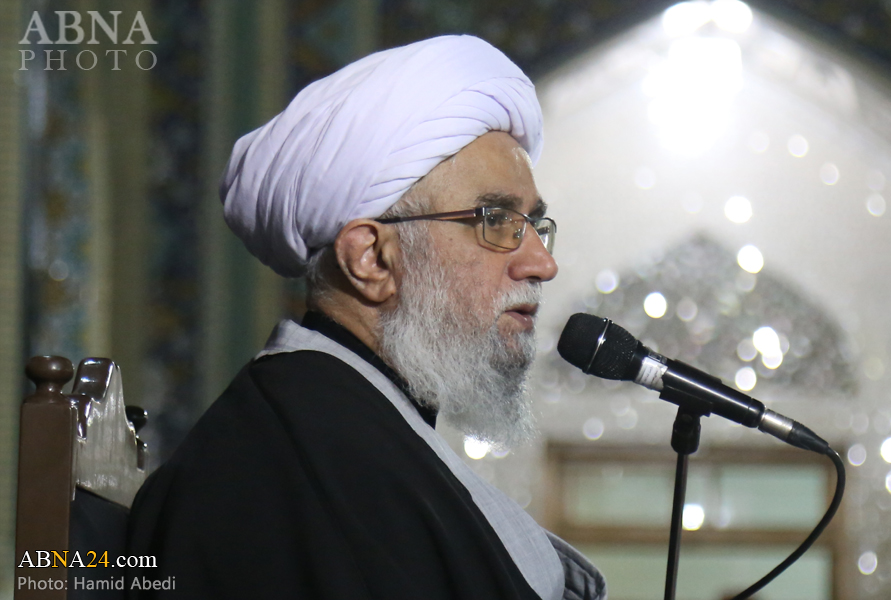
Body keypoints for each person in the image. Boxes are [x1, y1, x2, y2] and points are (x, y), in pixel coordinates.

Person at [126, 35, 606, 600]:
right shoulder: (301, 467)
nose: (542, 264)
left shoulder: (353, 434)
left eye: (533, 224)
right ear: (372, 260)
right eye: (497, 220)